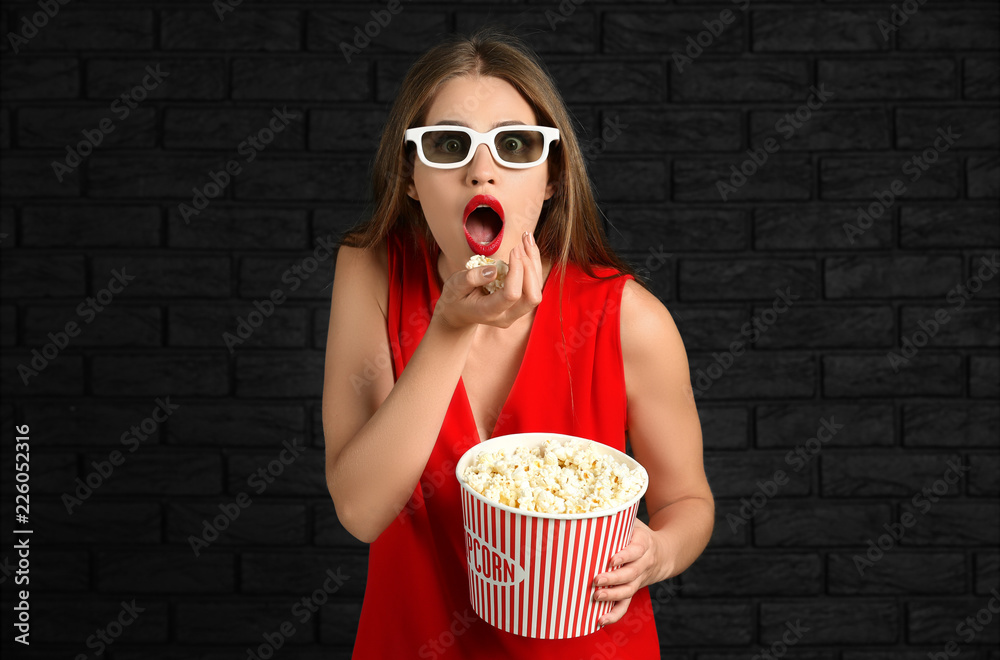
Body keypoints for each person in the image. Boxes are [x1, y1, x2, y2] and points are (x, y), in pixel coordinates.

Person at [322, 26, 714, 659]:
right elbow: (361, 510)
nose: (483, 170)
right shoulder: (369, 273)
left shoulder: (630, 319)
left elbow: (690, 501)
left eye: (515, 146)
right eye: (449, 146)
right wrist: (451, 328)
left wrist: (659, 553)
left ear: (552, 177)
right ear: (414, 178)